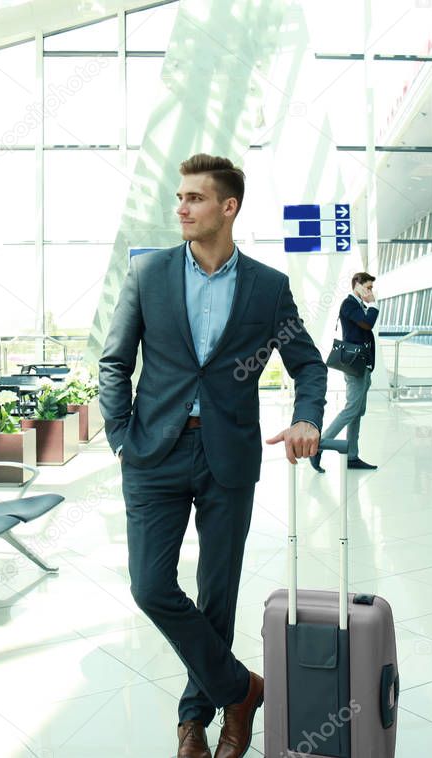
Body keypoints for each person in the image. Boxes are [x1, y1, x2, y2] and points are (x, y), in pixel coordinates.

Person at [99, 153, 327, 758]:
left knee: (216, 592)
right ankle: (242, 689)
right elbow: (114, 362)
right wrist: (121, 436)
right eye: (179, 197)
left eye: (195, 198)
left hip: (228, 455)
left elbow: (307, 363)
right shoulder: (149, 276)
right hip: (154, 452)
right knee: (150, 586)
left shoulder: (267, 287)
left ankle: (197, 720)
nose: (181, 207)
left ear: (228, 207)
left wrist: (307, 417)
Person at [311, 272, 378, 473]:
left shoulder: (358, 306)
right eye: (368, 287)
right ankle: (319, 446)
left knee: (358, 411)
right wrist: (374, 304)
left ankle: (352, 456)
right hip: (355, 366)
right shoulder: (349, 304)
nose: (370, 291)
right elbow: (367, 324)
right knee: (351, 409)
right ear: (357, 285)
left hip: (363, 365)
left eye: (371, 288)